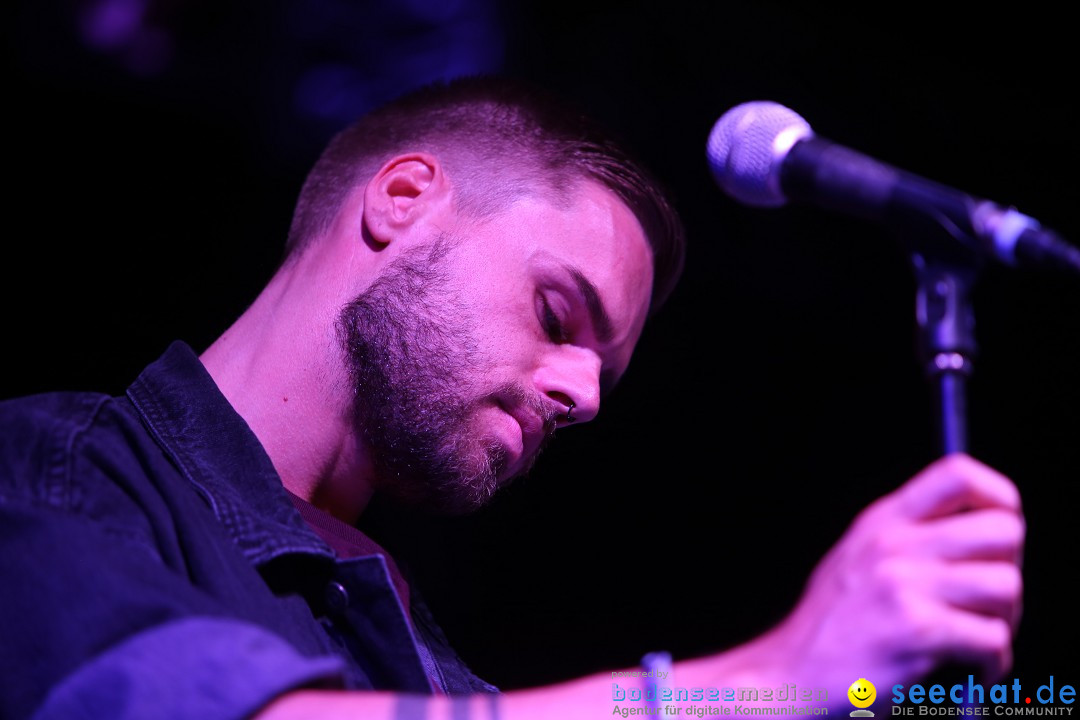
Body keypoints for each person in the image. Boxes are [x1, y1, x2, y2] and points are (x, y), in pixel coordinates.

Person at [0, 77, 1023, 720]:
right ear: (403, 201)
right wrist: (780, 671)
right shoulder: (50, 468)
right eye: (556, 313)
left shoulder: (419, 651)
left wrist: (854, 688)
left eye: (603, 375)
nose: (582, 397)